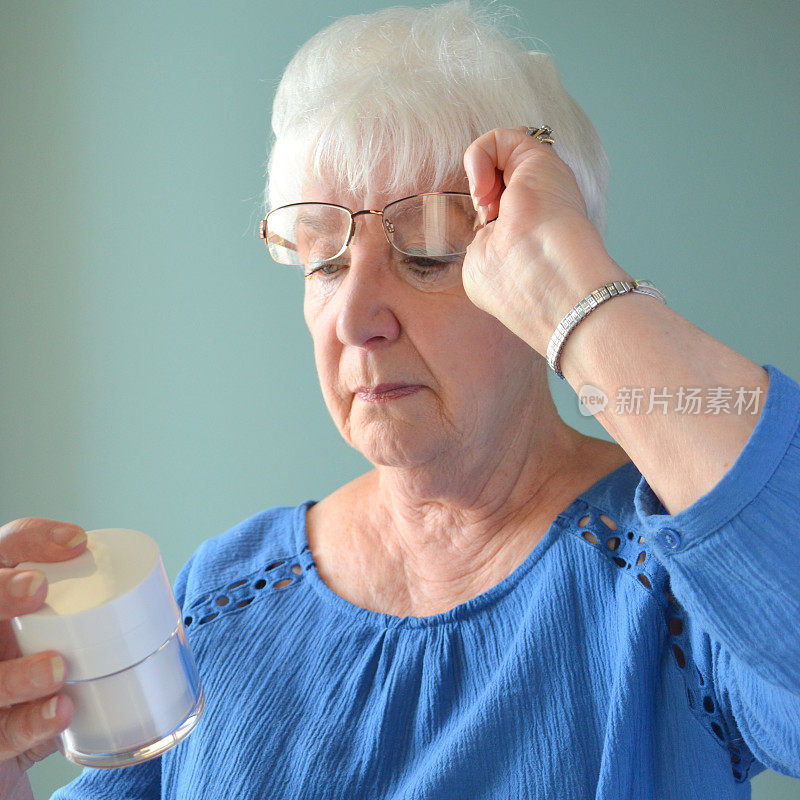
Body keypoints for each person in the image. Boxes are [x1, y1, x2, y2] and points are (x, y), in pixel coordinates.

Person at [2, 2, 799, 798]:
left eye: (425, 249)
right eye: (322, 262)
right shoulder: (223, 596)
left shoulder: (673, 581)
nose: (353, 317)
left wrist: (576, 289)